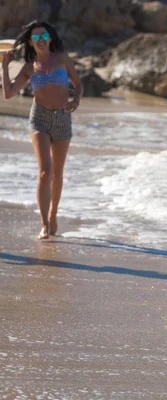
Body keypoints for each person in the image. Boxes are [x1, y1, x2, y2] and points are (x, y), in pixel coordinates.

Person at [1, 20, 83, 239]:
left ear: (50, 37)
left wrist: (76, 99)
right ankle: (44, 224)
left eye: (44, 35)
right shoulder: (29, 67)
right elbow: (8, 93)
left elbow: (78, 83)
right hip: (39, 119)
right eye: (36, 37)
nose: (41, 40)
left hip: (63, 119)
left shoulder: (62, 59)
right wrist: (5, 66)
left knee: (57, 173)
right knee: (45, 172)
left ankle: (53, 213)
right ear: (31, 42)